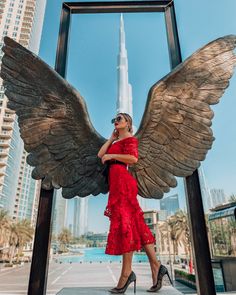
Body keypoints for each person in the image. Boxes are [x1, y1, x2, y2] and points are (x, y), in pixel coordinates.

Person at [97, 113, 172, 293]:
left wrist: (111, 155)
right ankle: (156, 265)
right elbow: (100, 154)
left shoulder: (131, 139)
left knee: (127, 225)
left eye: (119, 119)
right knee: (136, 225)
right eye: (114, 120)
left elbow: (133, 159)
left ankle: (126, 273)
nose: (116, 121)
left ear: (128, 123)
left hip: (124, 183)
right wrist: (111, 139)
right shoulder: (115, 142)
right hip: (117, 185)